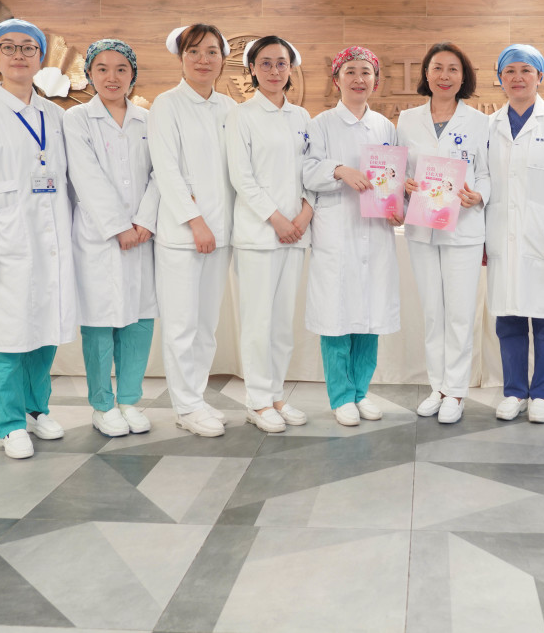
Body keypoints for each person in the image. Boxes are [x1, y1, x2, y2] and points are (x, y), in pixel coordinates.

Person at [0, 18, 77, 459]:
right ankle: (9, 424)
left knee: (44, 332)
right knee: (6, 337)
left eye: (28, 47)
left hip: (52, 242)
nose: (19, 55)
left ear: (40, 56)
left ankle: (36, 408)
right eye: (8, 47)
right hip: (4, 243)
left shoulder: (56, 116)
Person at [64, 39, 158, 438]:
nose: (112, 77)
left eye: (121, 69)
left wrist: (145, 221)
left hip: (142, 235)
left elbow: (161, 173)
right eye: (102, 69)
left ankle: (130, 400)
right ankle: (102, 405)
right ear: (89, 74)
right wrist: (119, 226)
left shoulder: (148, 120)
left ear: (133, 74)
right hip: (98, 237)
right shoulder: (77, 119)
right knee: (99, 322)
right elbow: (85, 175)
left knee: (139, 319)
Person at [303, 46, 401, 426]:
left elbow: (393, 179)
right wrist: (340, 170)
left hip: (375, 234)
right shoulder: (321, 124)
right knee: (336, 317)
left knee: (369, 316)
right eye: (350, 72)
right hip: (337, 232)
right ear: (336, 80)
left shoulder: (385, 127)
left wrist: (398, 204)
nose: (359, 79)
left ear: (376, 80)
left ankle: (360, 392)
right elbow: (307, 171)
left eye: (366, 72)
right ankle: (341, 395)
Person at [486, 43, 544, 425]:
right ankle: (514, 392)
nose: (518, 77)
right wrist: (483, 238)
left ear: (540, 76)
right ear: (500, 78)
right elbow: (484, 181)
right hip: (501, 235)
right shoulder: (490, 125)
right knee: (508, 318)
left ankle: (543, 393)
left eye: (526, 70)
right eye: (509, 71)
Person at [148, 24, 235, 437]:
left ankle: (196, 398)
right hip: (184, 236)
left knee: (206, 325)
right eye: (195, 51)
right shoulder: (166, 105)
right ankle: (184, 406)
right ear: (181, 57)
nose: (204, 59)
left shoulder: (230, 107)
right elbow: (166, 171)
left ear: (223, 59)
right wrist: (196, 222)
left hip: (222, 235)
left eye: (212, 52)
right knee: (181, 325)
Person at [396, 42, 490, 424]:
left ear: (463, 76)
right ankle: (437, 387)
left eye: (453, 69)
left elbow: (487, 173)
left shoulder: (480, 121)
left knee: (460, 314)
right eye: (437, 68)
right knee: (433, 313)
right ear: (426, 74)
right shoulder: (407, 120)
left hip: (463, 229)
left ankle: (456, 391)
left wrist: (479, 195)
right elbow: (401, 171)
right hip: (421, 229)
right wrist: (404, 184)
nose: (445, 76)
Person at [226, 35, 313, 434]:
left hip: (296, 234)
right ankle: (257, 401)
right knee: (258, 322)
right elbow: (241, 177)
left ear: (291, 68)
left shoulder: (301, 116)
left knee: (281, 323)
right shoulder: (242, 115)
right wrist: (277, 219)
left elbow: (311, 170)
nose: (274, 70)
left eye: (281, 63)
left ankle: (276, 395)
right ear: (252, 69)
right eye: (265, 63)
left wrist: (305, 214)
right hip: (260, 235)